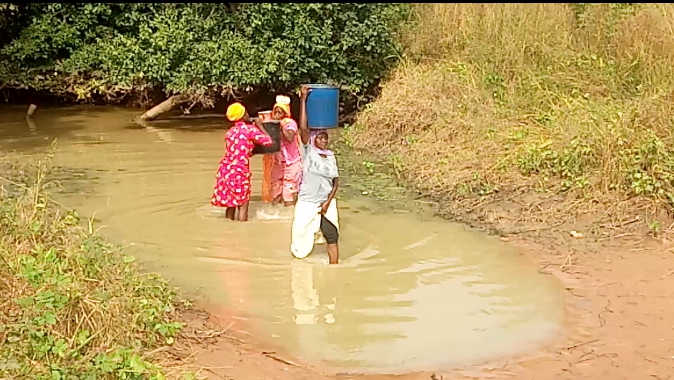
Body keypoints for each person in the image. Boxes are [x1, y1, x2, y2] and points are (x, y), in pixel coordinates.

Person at [290, 86, 340, 264]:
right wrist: (303, 99)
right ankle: (299, 273)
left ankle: (335, 270)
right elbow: (303, 128)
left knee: (332, 236)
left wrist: (327, 202)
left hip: (326, 203)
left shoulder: (331, 156)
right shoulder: (308, 151)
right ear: (314, 140)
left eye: (325, 137)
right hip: (307, 202)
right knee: (300, 244)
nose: (324, 140)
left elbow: (335, 182)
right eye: (320, 137)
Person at [211, 102, 273, 222]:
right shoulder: (249, 130)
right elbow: (268, 141)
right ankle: (242, 232)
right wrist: (260, 126)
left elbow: (241, 151)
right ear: (243, 115)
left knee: (231, 204)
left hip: (226, 171)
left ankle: (228, 227)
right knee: (243, 206)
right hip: (239, 172)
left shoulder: (230, 133)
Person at [270, 95, 303, 206]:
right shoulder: (271, 125)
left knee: (289, 191)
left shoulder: (289, 123)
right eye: (276, 112)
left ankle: (288, 214)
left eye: (280, 112)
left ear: (285, 114)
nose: (277, 115)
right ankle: (276, 215)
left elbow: (289, 138)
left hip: (292, 163)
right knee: (276, 189)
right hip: (278, 162)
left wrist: (281, 126)